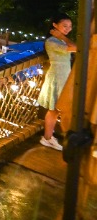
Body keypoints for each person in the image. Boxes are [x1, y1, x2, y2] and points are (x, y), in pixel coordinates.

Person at [37, 12, 76, 150]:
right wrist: (61, 36)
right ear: (54, 25)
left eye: (70, 26)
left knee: (55, 110)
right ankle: (49, 137)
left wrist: (62, 37)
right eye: (64, 26)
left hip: (63, 76)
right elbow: (77, 48)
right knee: (57, 109)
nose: (68, 29)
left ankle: (48, 137)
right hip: (57, 78)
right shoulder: (52, 41)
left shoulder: (59, 40)